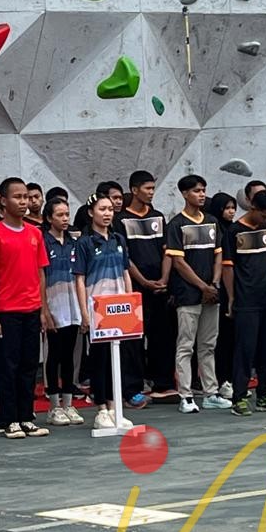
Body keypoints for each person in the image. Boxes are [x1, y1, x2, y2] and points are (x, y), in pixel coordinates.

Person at [0, 177, 52, 439]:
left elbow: (41, 273)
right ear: (3, 201)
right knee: (8, 366)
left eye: (26, 197)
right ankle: (8, 418)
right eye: (18, 197)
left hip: (32, 309)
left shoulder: (35, 234)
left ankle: (26, 416)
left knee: (29, 365)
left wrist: (43, 309)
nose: (23, 202)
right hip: (7, 310)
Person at [164, 175, 228, 413]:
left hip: (211, 293)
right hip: (188, 294)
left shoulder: (212, 221)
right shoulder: (177, 224)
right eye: (196, 191)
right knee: (185, 346)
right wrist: (202, 286)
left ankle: (211, 392)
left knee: (208, 345)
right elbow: (178, 263)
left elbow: (219, 254)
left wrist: (214, 283)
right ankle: (186, 395)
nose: (201, 195)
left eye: (203, 190)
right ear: (184, 194)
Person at [74, 193, 137, 430]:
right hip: (98, 309)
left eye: (110, 209)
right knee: (99, 360)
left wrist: (131, 303)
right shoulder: (85, 243)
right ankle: (101, 408)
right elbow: (80, 279)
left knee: (117, 359)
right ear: (91, 213)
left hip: (119, 310)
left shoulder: (119, 239)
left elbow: (125, 272)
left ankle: (114, 407)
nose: (107, 213)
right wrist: (85, 312)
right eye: (102, 209)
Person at [116, 170, 175, 397]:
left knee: (162, 337)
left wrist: (164, 279)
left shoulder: (158, 216)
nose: (151, 192)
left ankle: (163, 383)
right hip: (135, 288)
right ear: (134, 190)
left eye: (153, 188)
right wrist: (143, 281)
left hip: (160, 287)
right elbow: (125, 257)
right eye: (147, 188)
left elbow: (167, 251)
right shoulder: (121, 220)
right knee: (134, 340)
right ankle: (134, 387)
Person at [223, 191, 266, 415]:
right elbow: (228, 268)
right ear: (252, 207)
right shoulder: (234, 231)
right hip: (246, 299)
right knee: (245, 350)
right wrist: (231, 297)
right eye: (264, 215)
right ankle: (239, 397)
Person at [41, 197, 82, 426]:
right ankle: (54, 406)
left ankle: (68, 404)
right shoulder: (44, 243)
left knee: (68, 356)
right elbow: (40, 278)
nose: (65, 219)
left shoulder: (73, 243)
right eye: (60, 215)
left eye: (67, 214)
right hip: (54, 306)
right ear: (49, 218)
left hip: (72, 306)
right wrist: (45, 311)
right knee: (54, 356)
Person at [206, 191, 238, 397]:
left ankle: (232, 378)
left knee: (233, 337)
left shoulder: (234, 230)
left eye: (233, 208)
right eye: (227, 208)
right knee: (219, 339)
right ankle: (221, 379)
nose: (231, 212)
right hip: (217, 289)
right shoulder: (214, 230)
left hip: (233, 288)